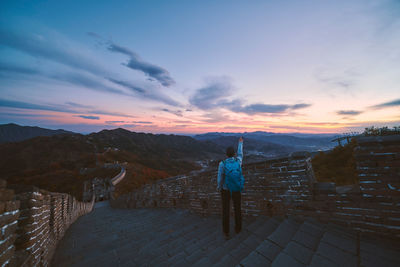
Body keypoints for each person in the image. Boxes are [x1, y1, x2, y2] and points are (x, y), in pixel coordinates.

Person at [217, 137, 244, 239]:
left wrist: (219, 187)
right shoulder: (238, 161)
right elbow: (241, 154)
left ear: (226, 154)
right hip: (236, 188)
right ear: (234, 154)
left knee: (226, 210)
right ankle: (238, 228)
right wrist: (240, 143)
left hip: (226, 190)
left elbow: (220, 179)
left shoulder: (222, 164)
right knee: (237, 209)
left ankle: (226, 232)